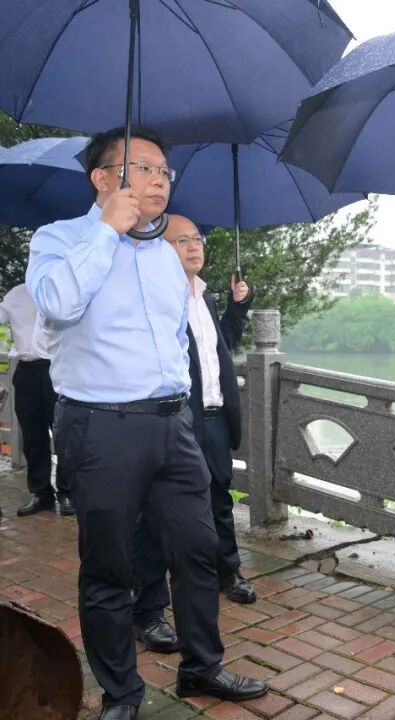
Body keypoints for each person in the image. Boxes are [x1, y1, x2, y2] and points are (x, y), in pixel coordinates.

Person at [26, 126, 267, 720]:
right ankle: (122, 693)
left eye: (164, 171)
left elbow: (177, 342)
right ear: (103, 178)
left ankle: (201, 666)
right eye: (143, 168)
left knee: (198, 551)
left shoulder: (164, 255)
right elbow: (56, 304)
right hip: (100, 427)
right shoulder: (59, 239)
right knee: (109, 568)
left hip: (173, 424)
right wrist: (106, 230)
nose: (159, 180)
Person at [129, 214, 256, 656]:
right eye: (181, 240)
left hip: (214, 417)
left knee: (219, 497)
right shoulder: (151, 298)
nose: (194, 246)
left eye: (197, 239)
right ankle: (148, 609)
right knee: (156, 517)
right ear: (158, 249)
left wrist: (238, 308)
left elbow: (219, 346)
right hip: (172, 419)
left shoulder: (203, 295)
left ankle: (227, 571)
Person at [0, 283, 73, 516]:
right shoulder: (15, 295)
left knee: (63, 433)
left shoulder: (60, 290)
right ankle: (41, 493)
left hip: (56, 368)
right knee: (32, 436)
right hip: (26, 371)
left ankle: (67, 492)